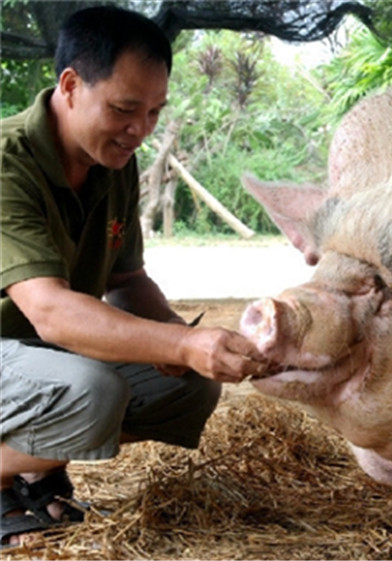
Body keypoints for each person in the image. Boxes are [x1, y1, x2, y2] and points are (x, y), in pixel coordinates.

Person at [0, 5, 267, 546]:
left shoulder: (113, 159)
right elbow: (50, 311)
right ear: (71, 85)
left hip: (40, 357)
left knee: (192, 386)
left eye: (153, 112)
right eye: (125, 109)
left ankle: (29, 469)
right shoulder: (8, 163)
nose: (139, 131)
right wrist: (185, 342)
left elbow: (128, 281)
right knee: (92, 393)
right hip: (23, 344)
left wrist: (179, 341)